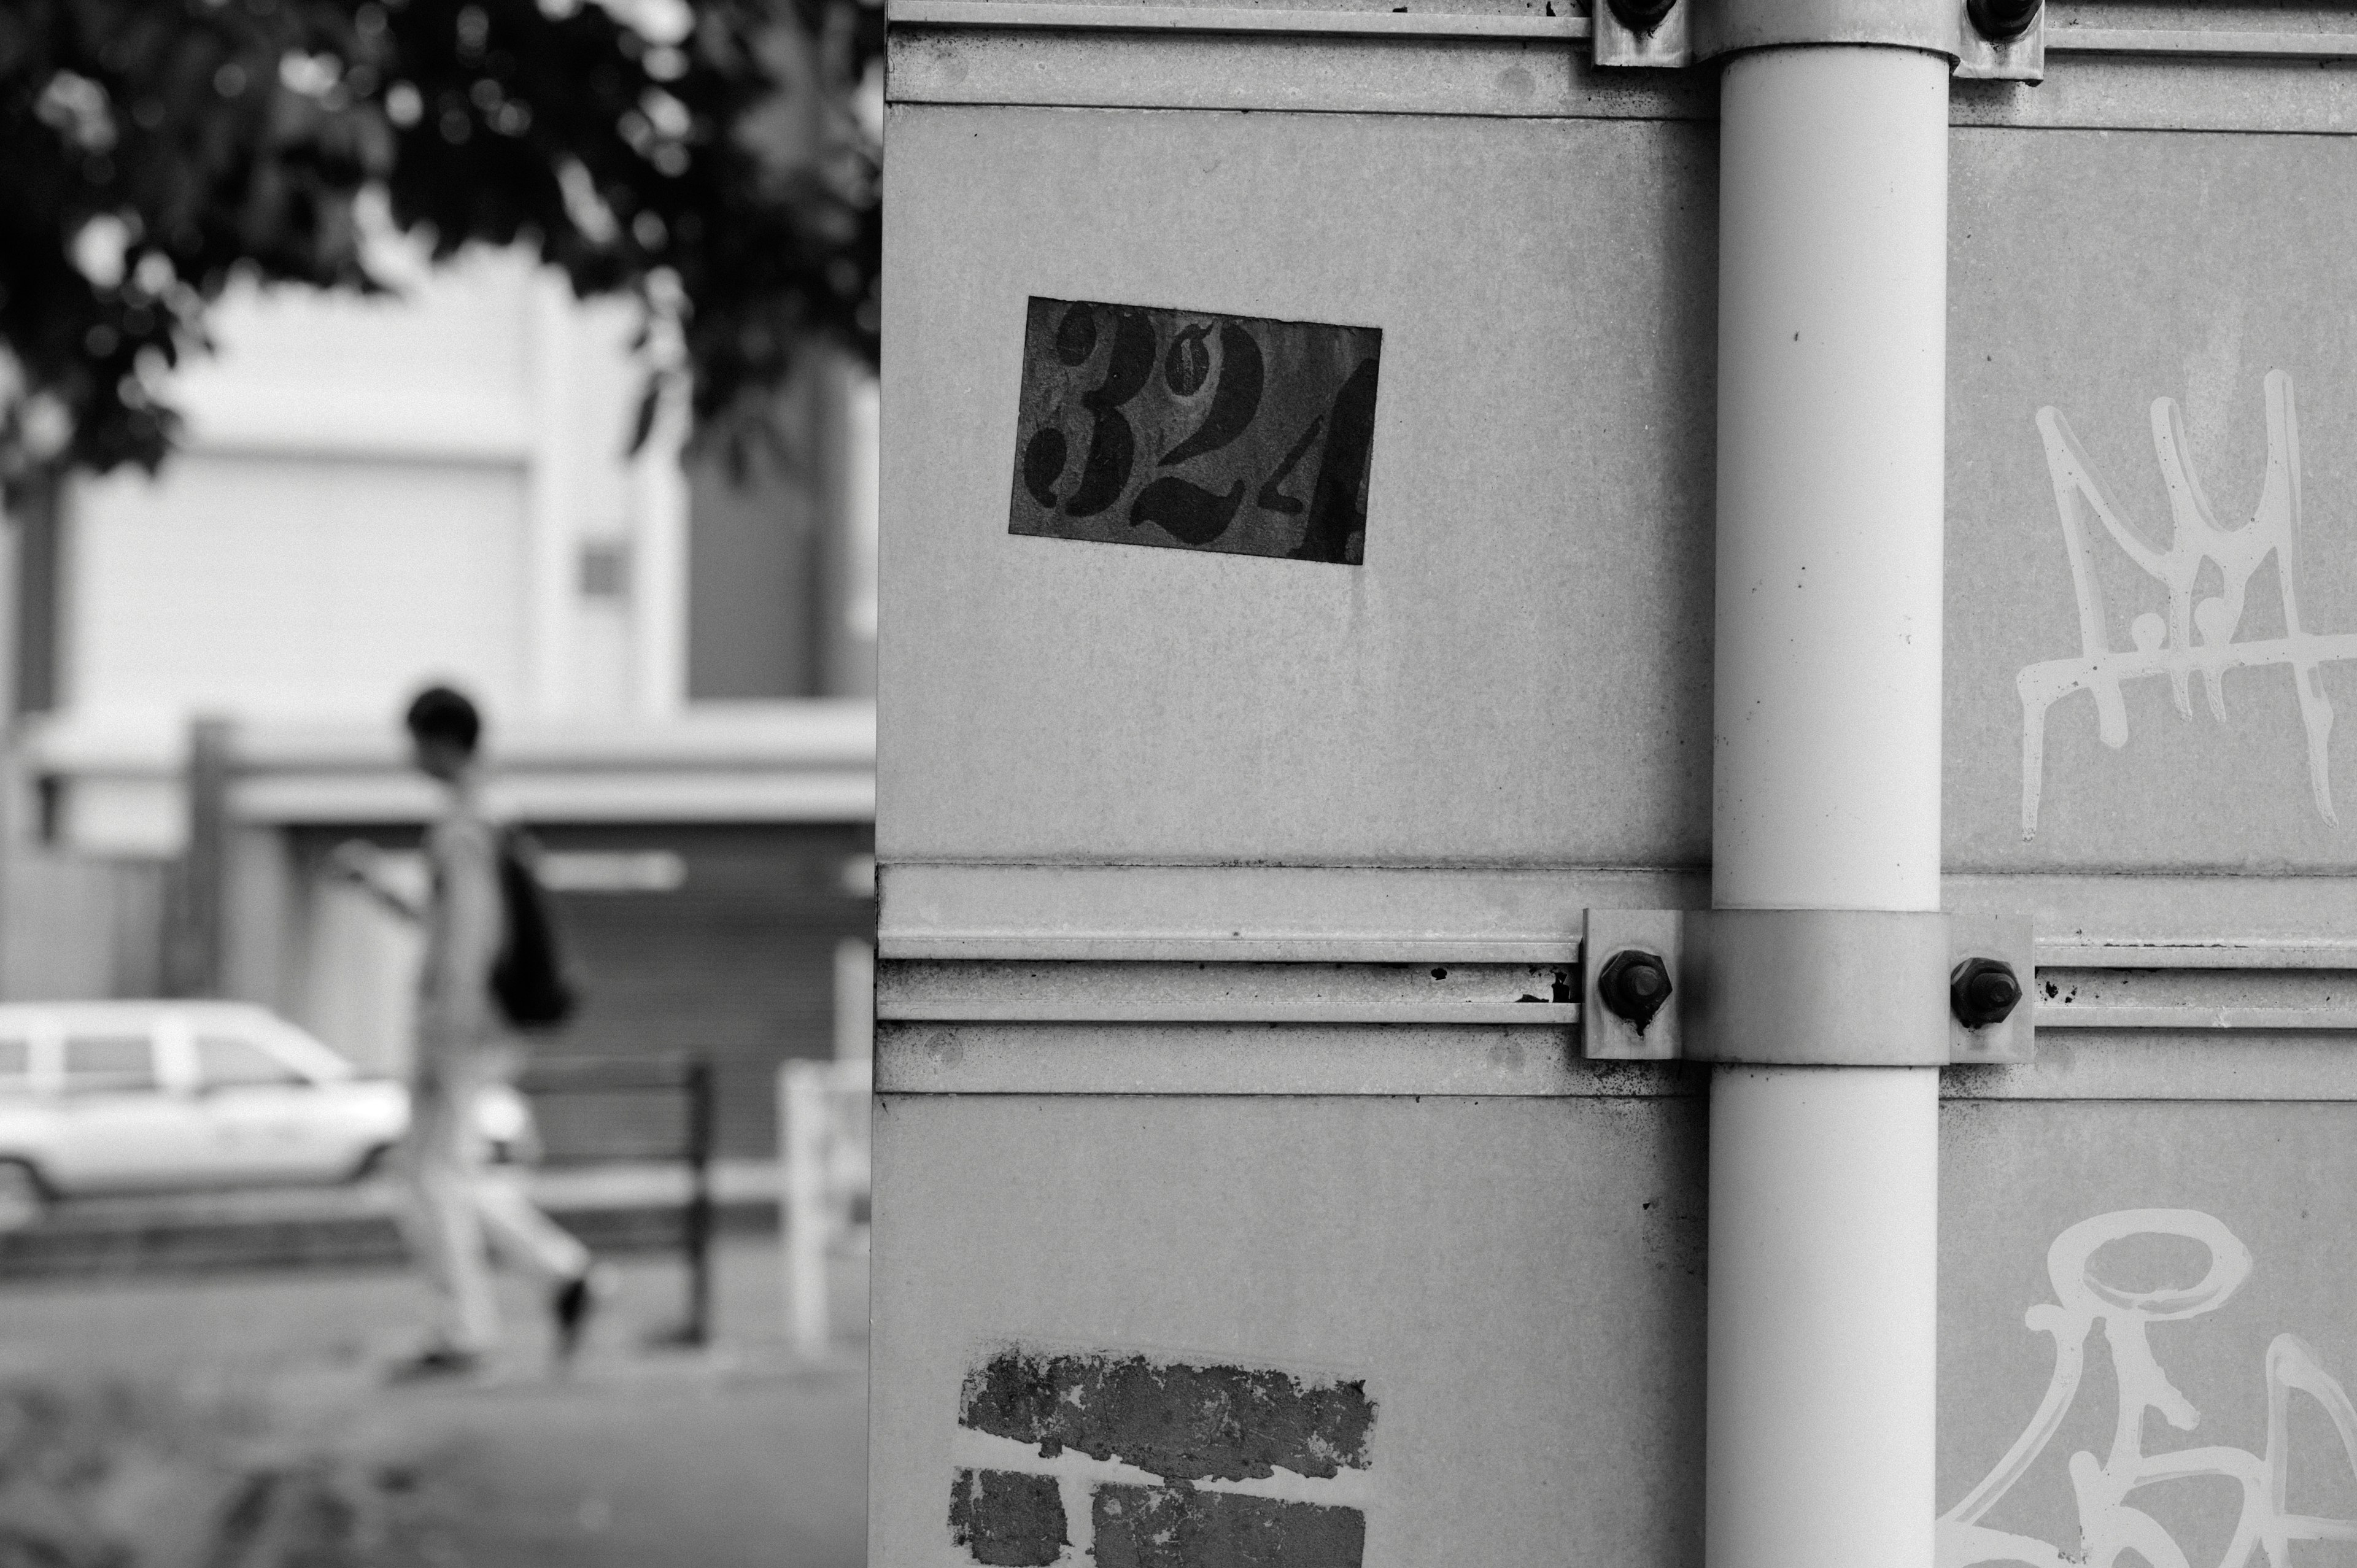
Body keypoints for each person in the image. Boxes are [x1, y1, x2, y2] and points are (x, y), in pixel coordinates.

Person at [333, 684, 603, 1379]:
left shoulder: (465, 823)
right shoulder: (494, 814)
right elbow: (450, 923)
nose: (408, 753)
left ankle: (464, 1331)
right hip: (480, 1020)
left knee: (427, 1175)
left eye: (415, 738)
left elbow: (469, 937)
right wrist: (381, 888)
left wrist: (446, 1026)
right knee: (446, 1171)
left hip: (458, 1024)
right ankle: (563, 1276)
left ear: (442, 739)